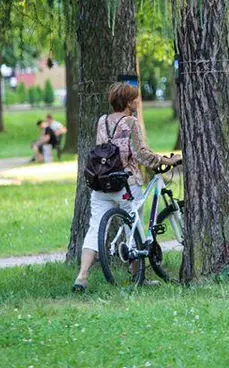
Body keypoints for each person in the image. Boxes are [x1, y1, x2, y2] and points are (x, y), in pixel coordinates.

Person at [72, 82, 181, 292]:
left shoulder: (102, 121)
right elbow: (140, 154)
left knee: (95, 229)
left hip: (102, 183)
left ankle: (82, 276)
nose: (137, 102)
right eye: (135, 99)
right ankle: (137, 275)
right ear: (129, 102)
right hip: (126, 184)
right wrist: (165, 160)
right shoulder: (131, 122)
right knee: (134, 227)